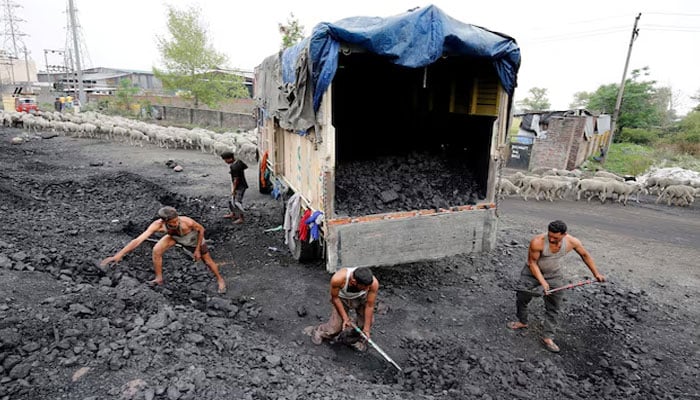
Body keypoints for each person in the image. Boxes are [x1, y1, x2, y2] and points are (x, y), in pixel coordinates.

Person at [508, 220, 605, 353]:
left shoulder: (572, 242)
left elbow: (585, 255)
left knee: (554, 306)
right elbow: (532, 263)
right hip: (531, 274)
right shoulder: (538, 242)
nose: (552, 239)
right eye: (550, 236)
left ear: (564, 234)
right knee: (522, 298)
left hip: (554, 275)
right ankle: (522, 321)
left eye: (556, 237)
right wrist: (543, 282)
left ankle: (548, 337)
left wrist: (596, 274)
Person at [100, 206, 227, 293]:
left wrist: (197, 250)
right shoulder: (157, 225)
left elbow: (201, 230)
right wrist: (119, 254)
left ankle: (220, 279)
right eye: (172, 224)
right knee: (156, 250)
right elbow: (138, 240)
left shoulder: (187, 222)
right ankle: (159, 278)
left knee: (208, 261)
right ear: (164, 222)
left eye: (176, 221)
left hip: (193, 238)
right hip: (174, 237)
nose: (175, 224)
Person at [307, 267, 379, 351]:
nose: (367, 289)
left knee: (366, 322)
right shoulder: (338, 279)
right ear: (353, 282)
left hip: (361, 298)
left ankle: (350, 339)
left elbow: (370, 305)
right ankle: (319, 331)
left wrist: (366, 329)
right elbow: (335, 298)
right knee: (335, 327)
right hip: (341, 298)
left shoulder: (373, 283)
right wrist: (345, 318)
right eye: (364, 287)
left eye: (368, 287)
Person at [221, 151, 248, 224]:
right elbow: (245, 167)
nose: (225, 161)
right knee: (232, 200)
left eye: (226, 160)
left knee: (237, 202)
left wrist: (234, 189)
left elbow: (236, 179)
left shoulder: (234, 166)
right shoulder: (238, 161)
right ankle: (233, 214)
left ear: (230, 158)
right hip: (242, 184)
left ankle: (241, 218)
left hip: (239, 186)